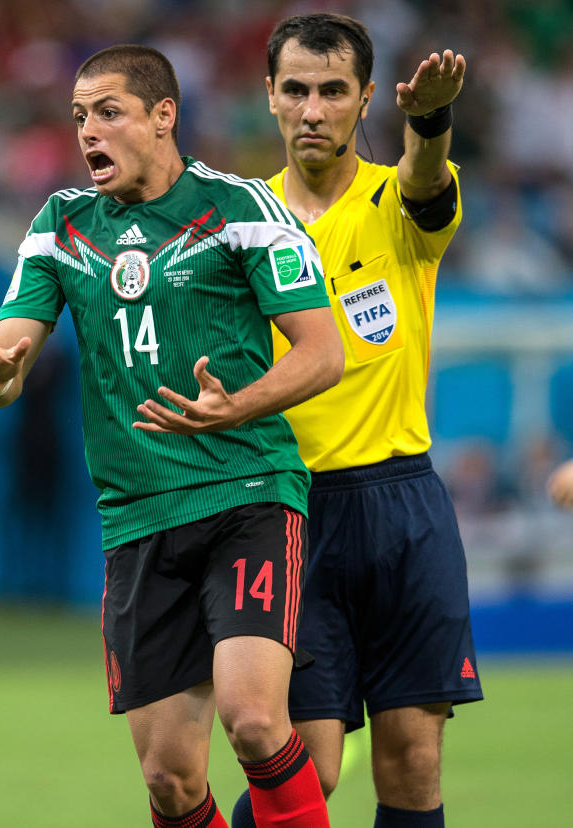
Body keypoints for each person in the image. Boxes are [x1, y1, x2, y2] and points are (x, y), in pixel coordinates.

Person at [0, 45, 343, 828]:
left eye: (107, 112)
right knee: (169, 780)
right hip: (136, 520)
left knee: (257, 720)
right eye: (77, 117)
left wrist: (235, 407)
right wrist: (2, 374)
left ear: (164, 115)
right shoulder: (61, 224)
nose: (87, 131)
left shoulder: (238, 208)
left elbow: (323, 353)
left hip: (247, 495)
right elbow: (13, 343)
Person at [230, 14, 483, 828]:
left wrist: (431, 120)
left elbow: (424, 176)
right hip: (291, 513)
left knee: (412, 762)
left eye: (333, 91)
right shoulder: (240, 226)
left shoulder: (397, 203)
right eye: (296, 89)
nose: (313, 108)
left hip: (404, 506)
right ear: (269, 96)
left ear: (365, 98)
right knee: (309, 765)